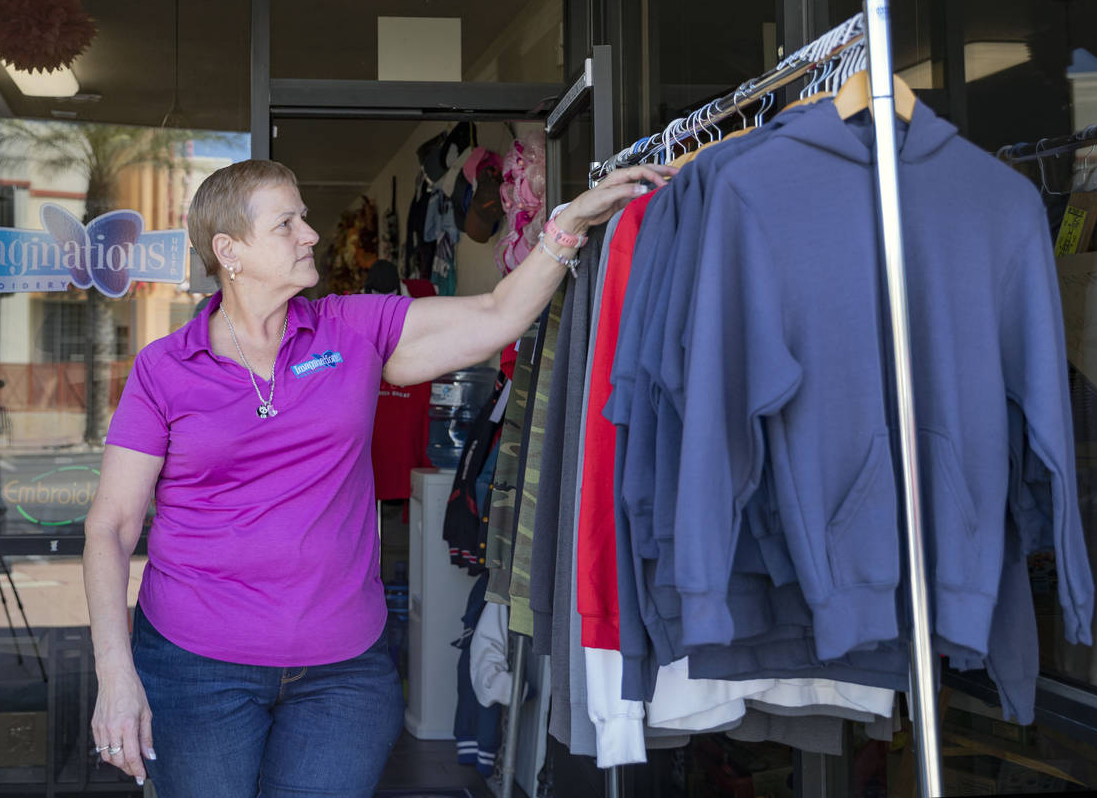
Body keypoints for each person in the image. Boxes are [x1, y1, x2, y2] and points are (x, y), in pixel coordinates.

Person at [82, 157, 673, 798]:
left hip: (342, 674)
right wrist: (115, 673)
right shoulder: (166, 367)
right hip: (196, 668)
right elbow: (110, 526)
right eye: (287, 224)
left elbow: (497, 315)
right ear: (230, 250)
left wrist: (568, 225)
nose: (310, 233)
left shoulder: (349, 328)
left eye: (304, 218)